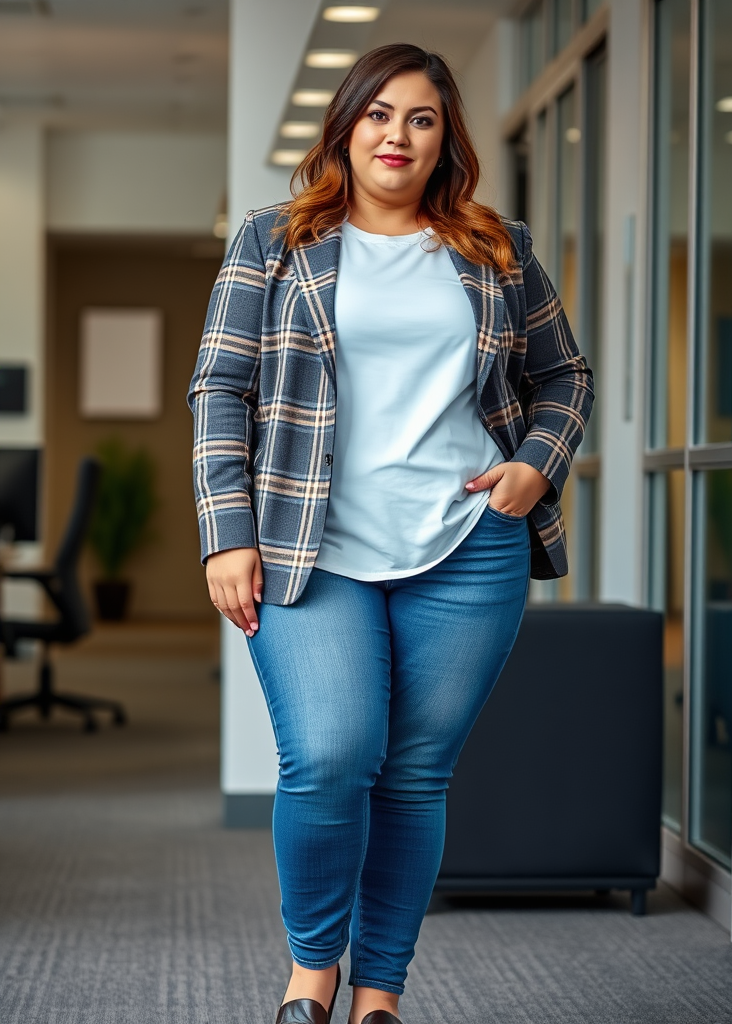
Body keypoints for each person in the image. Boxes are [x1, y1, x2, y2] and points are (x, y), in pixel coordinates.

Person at [188, 42, 594, 1024]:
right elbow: (221, 388)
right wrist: (224, 532)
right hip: (306, 545)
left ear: (445, 135)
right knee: (329, 753)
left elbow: (564, 377)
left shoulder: (497, 246)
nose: (398, 135)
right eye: (379, 114)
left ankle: (380, 995)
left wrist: (537, 460)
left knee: (414, 775)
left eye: (421, 117)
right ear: (347, 126)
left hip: (468, 545)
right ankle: (311, 969)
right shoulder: (275, 240)